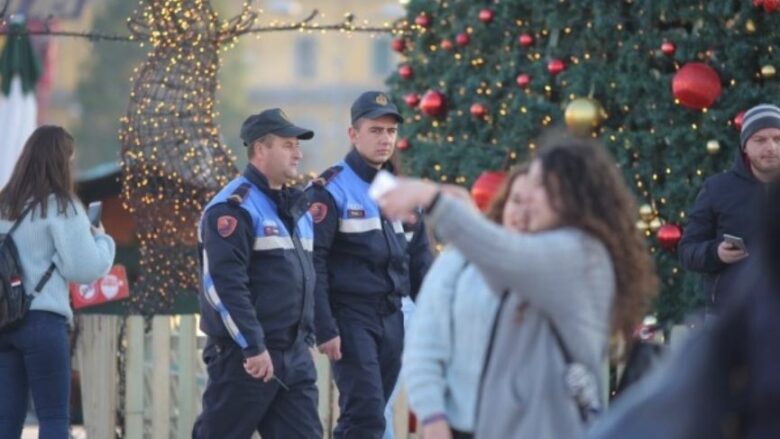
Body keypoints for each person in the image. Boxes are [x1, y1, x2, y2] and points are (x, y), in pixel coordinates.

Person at [378, 133, 658, 438]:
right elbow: (496, 267)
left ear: (572, 194)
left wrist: (434, 200)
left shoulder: (580, 253)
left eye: (540, 186)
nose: (528, 201)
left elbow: (506, 257)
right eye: (519, 196)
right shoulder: (509, 257)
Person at [307, 91, 433, 438]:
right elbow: (313, 262)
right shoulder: (331, 190)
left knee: (368, 415)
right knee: (366, 418)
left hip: (393, 317)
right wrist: (325, 326)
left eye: (391, 132)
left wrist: (439, 318)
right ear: (353, 134)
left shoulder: (402, 192)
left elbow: (422, 264)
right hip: (351, 317)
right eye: (376, 130)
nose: (385, 139)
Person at [193, 109, 323, 438]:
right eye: (288, 144)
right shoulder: (232, 208)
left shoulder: (297, 208)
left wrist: (306, 339)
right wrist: (253, 345)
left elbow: (305, 278)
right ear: (260, 150)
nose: (298, 152)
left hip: (293, 357)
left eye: (298, 145)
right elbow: (223, 286)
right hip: (245, 359)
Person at [0, 126, 116, 438]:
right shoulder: (61, 207)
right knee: (53, 417)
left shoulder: (3, 203)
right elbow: (85, 268)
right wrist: (104, 240)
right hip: (42, 321)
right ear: (61, 161)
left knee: (5, 421)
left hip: (3, 323)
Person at [402, 167, 531, 439]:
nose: (522, 213)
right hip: (462, 424)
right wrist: (433, 416)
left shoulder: (559, 268)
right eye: (517, 200)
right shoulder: (458, 259)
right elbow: (425, 342)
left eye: (534, 203)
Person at [679, 103, 780, 309]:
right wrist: (716, 253)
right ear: (744, 145)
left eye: (778, 139)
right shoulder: (717, 189)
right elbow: (687, 250)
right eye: (760, 140)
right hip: (731, 319)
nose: (771, 147)